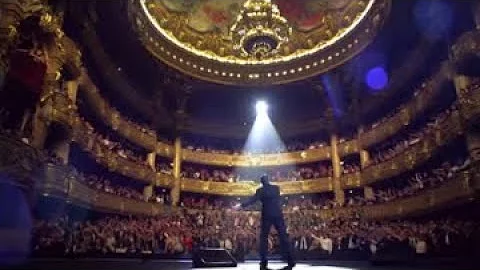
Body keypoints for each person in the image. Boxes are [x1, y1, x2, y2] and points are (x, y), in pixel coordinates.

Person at [234, 175, 295, 270]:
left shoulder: (260, 191)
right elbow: (277, 199)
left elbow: (252, 200)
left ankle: (263, 263)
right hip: (278, 214)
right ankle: (291, 261)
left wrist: (241, 205)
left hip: (267, 215)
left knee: (263, 239)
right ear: (268, 180)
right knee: (283, 237)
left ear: (261, 182)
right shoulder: (276, 188)